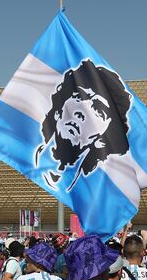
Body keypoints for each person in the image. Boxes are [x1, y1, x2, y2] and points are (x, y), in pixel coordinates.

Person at [34, 59, 131, 191]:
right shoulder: (23, 159)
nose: (83, 111)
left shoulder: (95, 189)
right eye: (79, 96)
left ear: (103, 136)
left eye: (98, 111)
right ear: (58, 110)